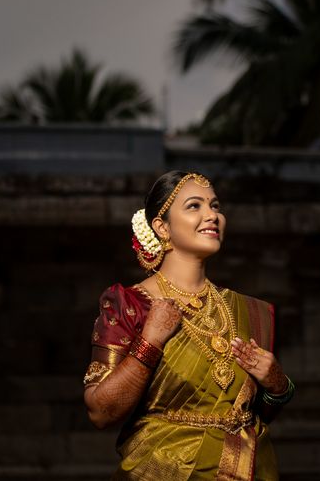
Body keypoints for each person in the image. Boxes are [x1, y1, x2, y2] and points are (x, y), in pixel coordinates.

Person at [83, 171, 294, 480]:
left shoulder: (248, 310)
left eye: (216, 206)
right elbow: (100, 412)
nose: (212, 215)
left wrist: (278, 386)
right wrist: (150, 340)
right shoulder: (131, 304)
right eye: (195, 206)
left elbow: (248, 414)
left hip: (248, 468)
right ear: (162, 227)